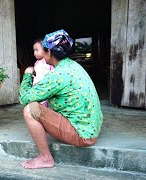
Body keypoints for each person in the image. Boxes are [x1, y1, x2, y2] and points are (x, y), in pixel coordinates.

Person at [19, 29, 103, 169]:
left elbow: (25, 98)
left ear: (49, 53)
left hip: (83, 135)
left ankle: (45, 158)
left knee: (30, 109)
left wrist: (27, 75)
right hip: (91, 127)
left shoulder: (56, 75)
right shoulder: (73, 65)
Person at [32, 38, 54, 107]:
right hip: (36, 86)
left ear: (45, 50)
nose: (35, 53)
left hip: (45, 87)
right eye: (34, 50)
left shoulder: (49, 62)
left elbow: (53, 72)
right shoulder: (36, 63)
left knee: (43, 103)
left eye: (37, 50)